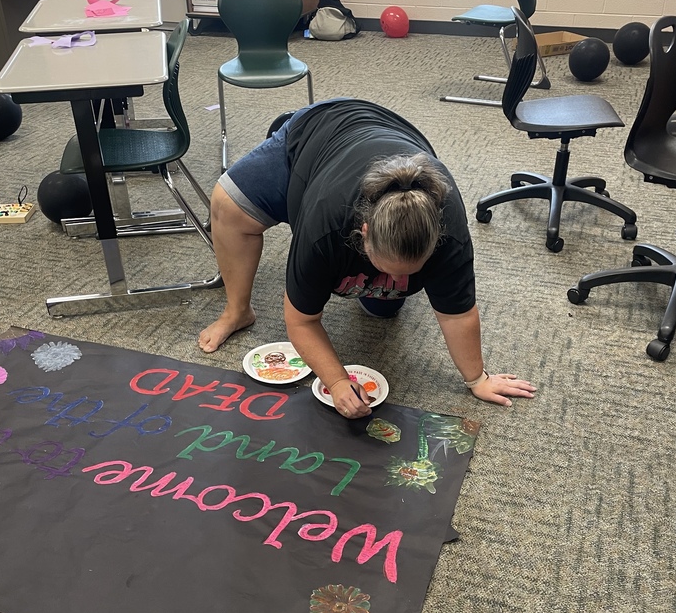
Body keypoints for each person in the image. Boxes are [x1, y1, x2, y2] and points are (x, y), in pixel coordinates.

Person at [198, 99, 536, 418]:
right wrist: (337, 381)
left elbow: (457, 315)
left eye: (411, 271)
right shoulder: (324, 227)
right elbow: (301, 321)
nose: (396, 280)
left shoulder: (450, 232)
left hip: (395, 136)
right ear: (363, 234)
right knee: (227, 205)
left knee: (382, 308)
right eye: (386, 268)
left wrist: (477, 379)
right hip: (319, 133)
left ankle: (386, 279)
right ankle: (237, 311)